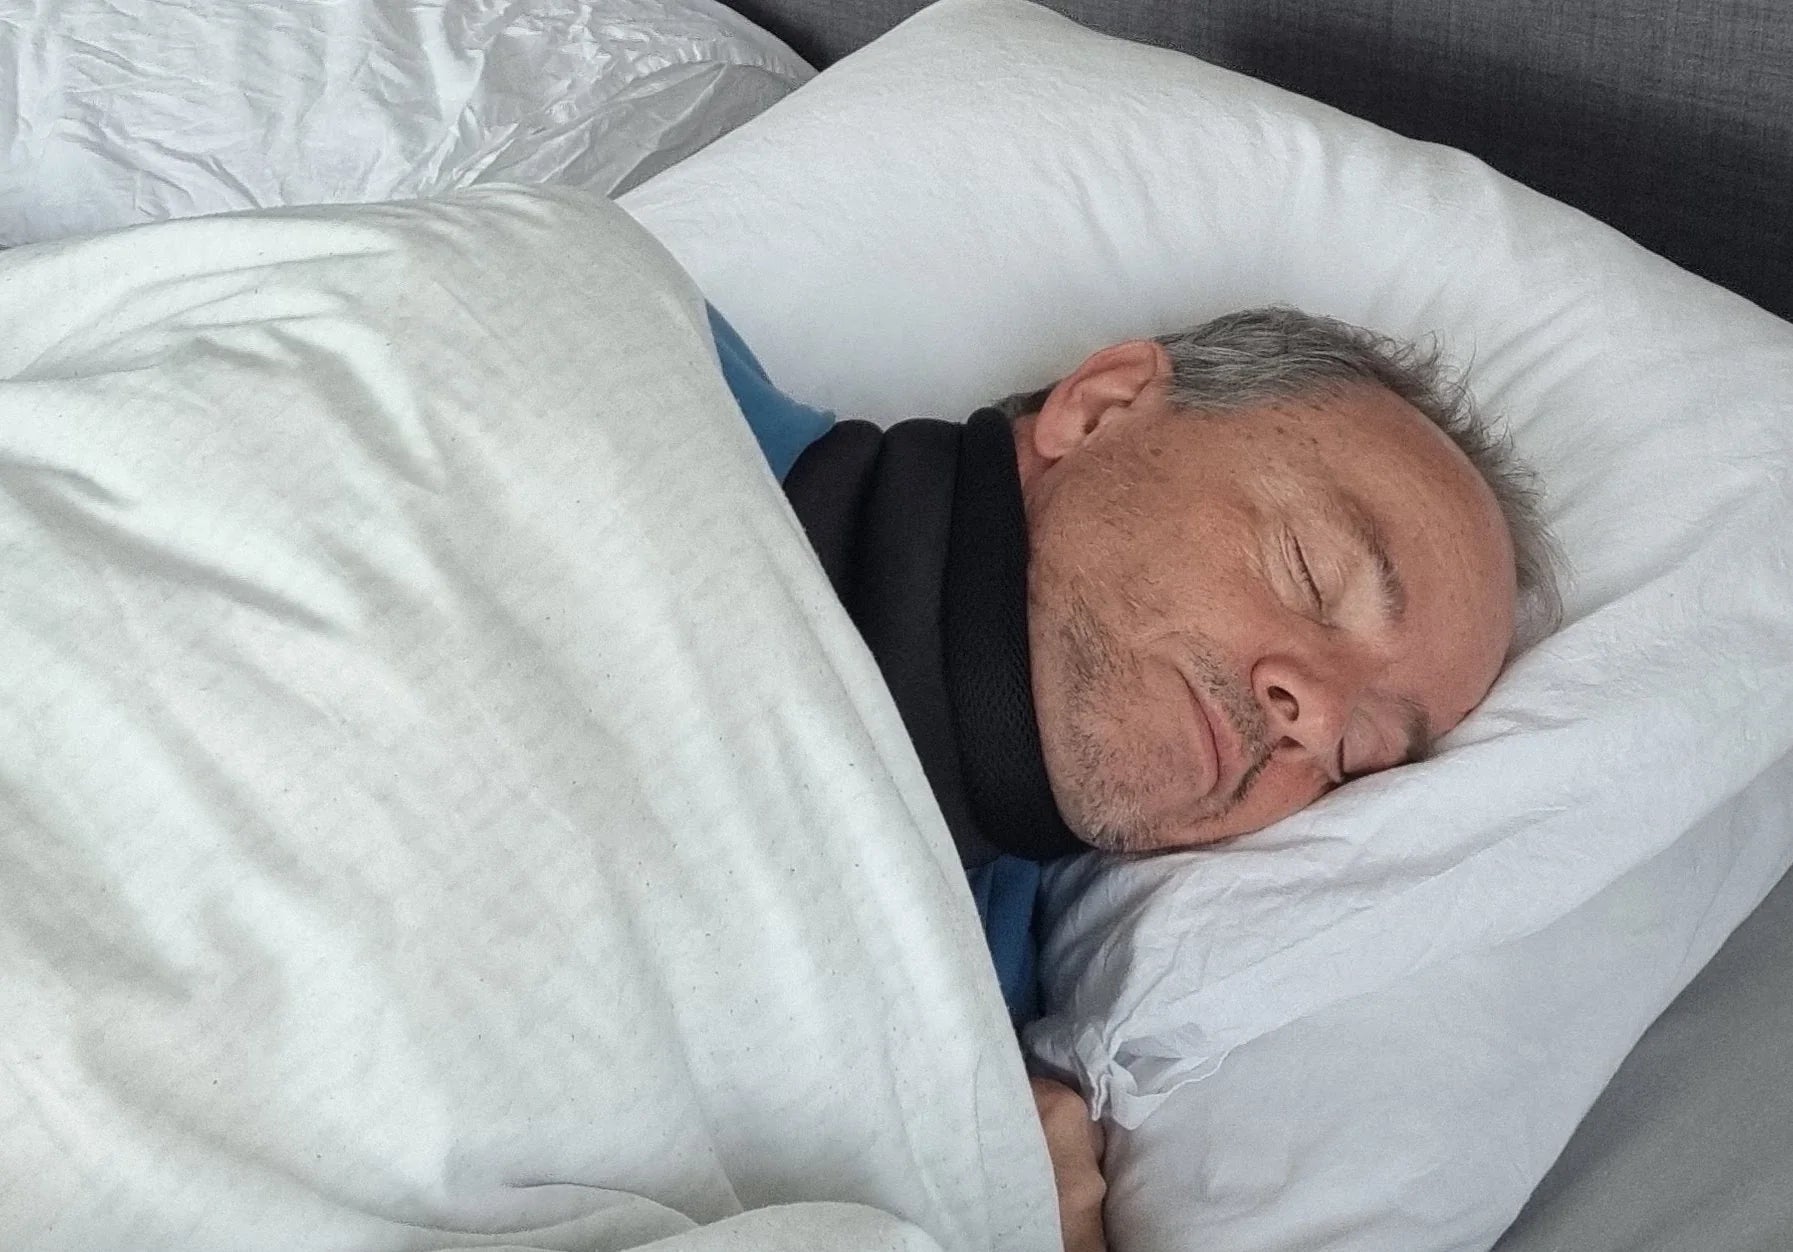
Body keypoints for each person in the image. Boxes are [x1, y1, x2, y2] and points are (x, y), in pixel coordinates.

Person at [714, 302, 1560, 1252]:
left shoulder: (978, 1093)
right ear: (1101, 405)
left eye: (1362, 750)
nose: (1318, 718)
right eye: (1309, 572)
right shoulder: (649, 359)